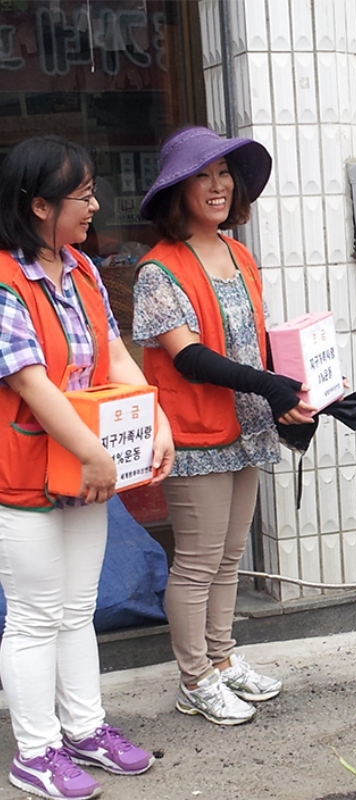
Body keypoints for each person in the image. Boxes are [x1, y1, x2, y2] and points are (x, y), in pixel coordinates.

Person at [0, 136, 175, 799]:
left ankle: (84, 728)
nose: (95, 206)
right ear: (38, 204)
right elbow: (31, 383)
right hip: (25, 477)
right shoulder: (4, 280)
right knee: (33, 616)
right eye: (82, 196)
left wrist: (154, 420)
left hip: (85, 471)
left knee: (76, 610)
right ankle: (35, 753)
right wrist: (95, 452)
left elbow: (114, 352)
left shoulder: (82, 268)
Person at [132, 127, 316, 726]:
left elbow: (254, 340)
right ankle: (196, 680)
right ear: (176, 189)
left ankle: (222, 661)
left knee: (230, 557)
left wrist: (302, 385)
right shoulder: (157, 269)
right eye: (202, 176)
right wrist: (268, 385)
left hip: (245, 427)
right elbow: (187, 356)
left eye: (224, 174)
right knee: (198, 561)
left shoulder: (239, 254)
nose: (217, 186)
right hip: (193, 433)